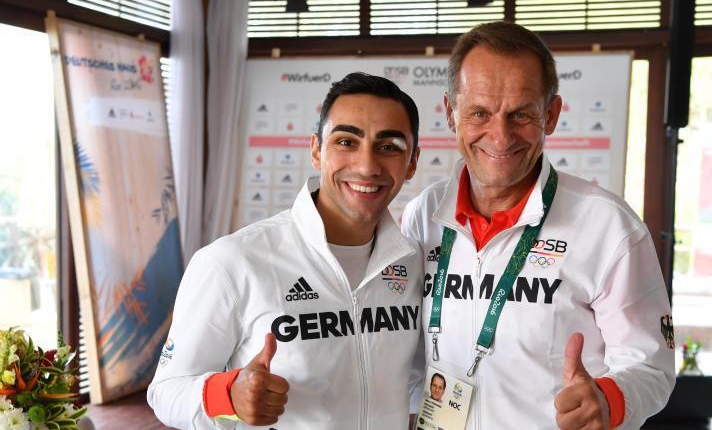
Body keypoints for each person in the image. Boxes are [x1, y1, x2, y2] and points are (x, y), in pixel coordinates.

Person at [402, 21, 675, 430]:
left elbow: (651, 366)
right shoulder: (423, 213)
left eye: (521, 115)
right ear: (450, 113)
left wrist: (608, 398)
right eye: (479, 113)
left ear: (550, 115)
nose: (500, 136)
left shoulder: (607, 226)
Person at [148, 72, 423, 429]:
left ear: (413, 161)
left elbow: (416, 380)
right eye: (346, 142)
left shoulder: (414, 263)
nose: (367, 166)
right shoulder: (232, 262)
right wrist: (229, 394)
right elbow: (166, 392)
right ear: (316, 150)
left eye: (389, 147)